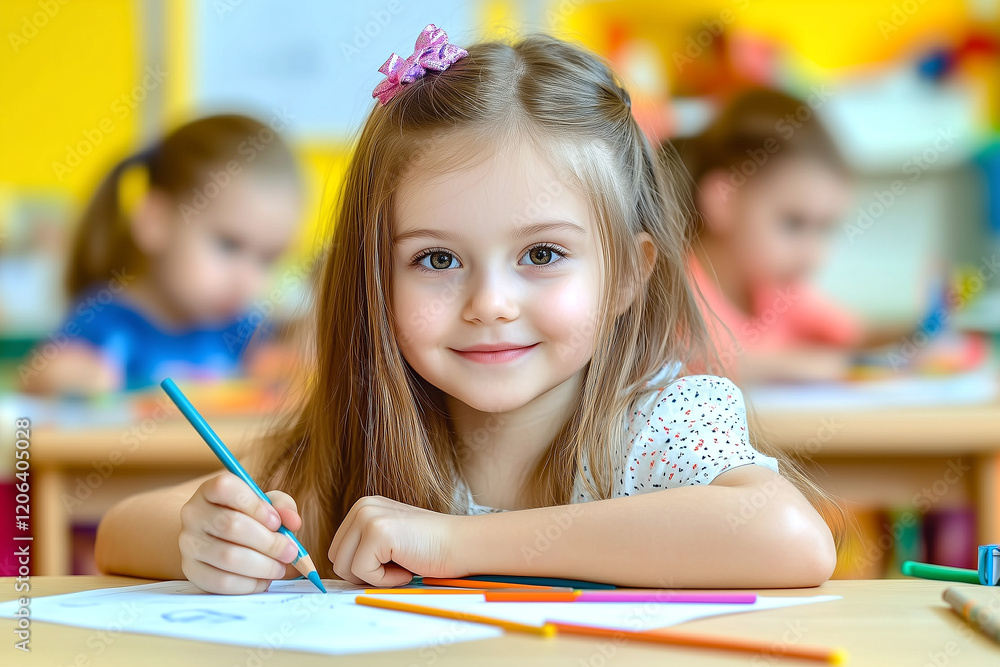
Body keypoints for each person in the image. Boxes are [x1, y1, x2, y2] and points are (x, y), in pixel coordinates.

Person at [95, 26, 837, 593]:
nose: (489, 304)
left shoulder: (659, 428)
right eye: (437, 259)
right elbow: (122, 533)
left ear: (626, 275)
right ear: (374, 277)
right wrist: (209, 538)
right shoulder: (363, 439)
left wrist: (456, 542)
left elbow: (791, 537)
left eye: (542, 254)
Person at [20, 114, 304, 394]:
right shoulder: (103, 324)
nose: (249, 281)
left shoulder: (241, 331)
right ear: (156, 222)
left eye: (269, 259)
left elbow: (285, 365)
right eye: (229, 245)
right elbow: (33, 381)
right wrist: (63, 376)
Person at [674, 88, 864, 383]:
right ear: (724, 200)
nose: (814, 254)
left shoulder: (777, 287)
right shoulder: (673, 290)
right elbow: (704, 364)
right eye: (794, 223)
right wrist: (800, 365)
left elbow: (851, 334)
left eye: (825, 228)